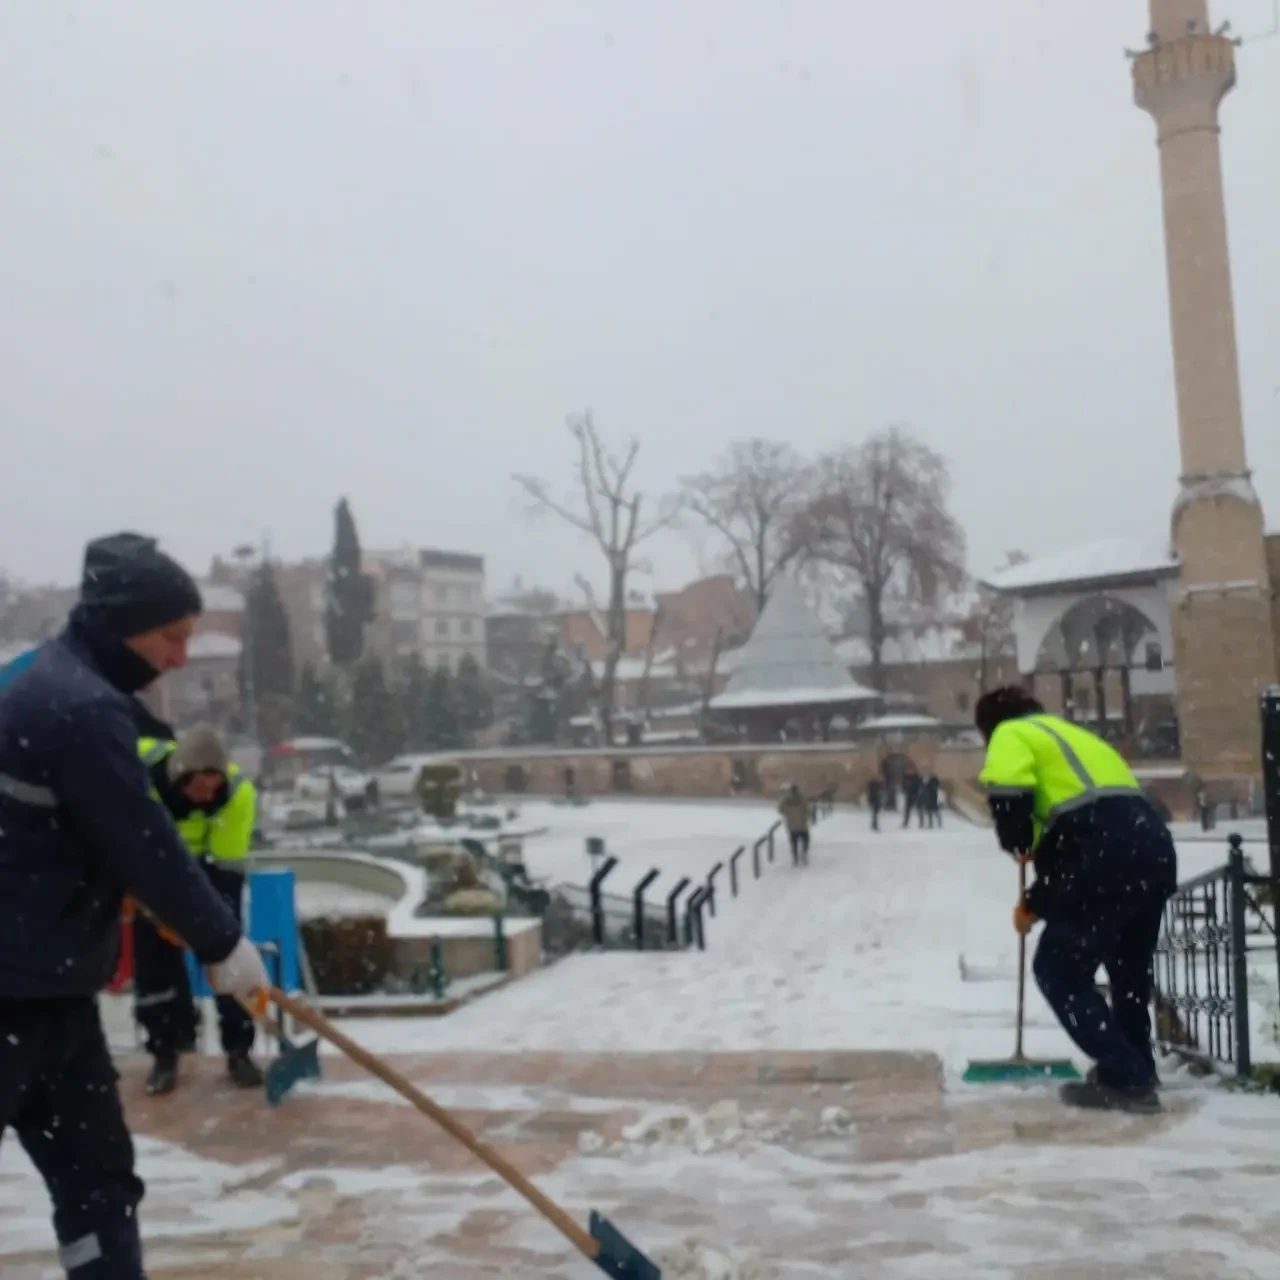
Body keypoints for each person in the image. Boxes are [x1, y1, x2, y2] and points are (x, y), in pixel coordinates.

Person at [0, 533, 271, 1280]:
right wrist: (221, 942)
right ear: (125, 625)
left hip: (53, 992)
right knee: (94, 1181)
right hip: (11, 988)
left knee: (99, 1181)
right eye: (173, 637)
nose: (182, 656)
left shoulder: (74, 690)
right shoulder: (76, 705)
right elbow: (141, 839)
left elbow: (103, 840)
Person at [975, 685, 1177, 1114]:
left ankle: (1128, 1075)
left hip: (1103, 851)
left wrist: (1016, 844)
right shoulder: (1074, 737)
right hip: (1152, 848)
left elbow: (1011, 795)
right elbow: (1076, 832)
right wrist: (1037, 897)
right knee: (1127, 974)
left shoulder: (1010, 734)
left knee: (1058, 970)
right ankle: (1136, 1068)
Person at [134, 724, 263, 1095]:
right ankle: (164, 1053)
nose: (210, 795)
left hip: (206, 867)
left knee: (228, 951)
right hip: (149, 862)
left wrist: (216, 939)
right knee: (153, 962)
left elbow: (226, 876)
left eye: (215, 785)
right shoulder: (137, 774)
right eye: (201, 787)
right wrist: (152, 904)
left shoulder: (237, 796)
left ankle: (239, 1050)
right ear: (180, 777)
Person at [778, 782, 811, 866]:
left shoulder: (786, 800)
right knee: (806, 841)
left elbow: (780, 810)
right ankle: (803, 855)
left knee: (794, 843)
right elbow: (807, 809)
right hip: (802, 825)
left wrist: (787, 812)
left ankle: (795, 858)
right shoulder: (802, 799)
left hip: (791, 826)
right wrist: (806, 817)